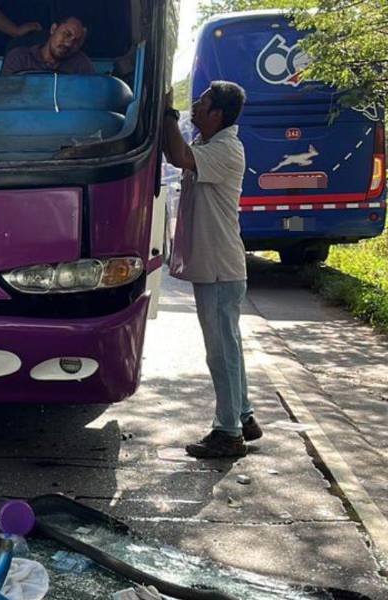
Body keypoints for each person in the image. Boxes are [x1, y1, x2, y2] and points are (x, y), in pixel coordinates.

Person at [161, 81, 263, 459]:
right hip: (217, 266)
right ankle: (244, 416)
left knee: (220, 352)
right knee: (228, 346)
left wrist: (167, 112)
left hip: (220, 267)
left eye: (202, 103)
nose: (195, 108)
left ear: (217, 113)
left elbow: (176, 155)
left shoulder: (224, 148)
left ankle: (228, 432)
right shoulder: (212, 144)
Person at [1, 16, 94, 75]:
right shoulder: (19, 57)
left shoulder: (81, 64)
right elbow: (4, 96)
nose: (69, 44)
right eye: (67, 34)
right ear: (53, 29)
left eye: (76, 41)